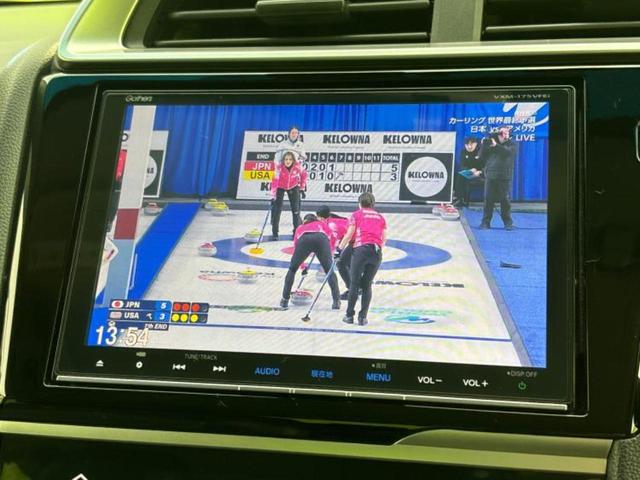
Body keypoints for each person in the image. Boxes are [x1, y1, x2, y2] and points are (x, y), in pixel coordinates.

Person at [337, 192, 387, 326]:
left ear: (359, 204)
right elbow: (384, 239)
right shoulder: (380, 217)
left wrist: (339, 249)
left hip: (361, 250)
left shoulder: (356, 215)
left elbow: (349, 235)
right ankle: (363, 317)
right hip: (376, 252)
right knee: (367, 285)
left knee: (354, 284)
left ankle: (349, 315)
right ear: (373, 204)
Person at [280, 213, 341, 310]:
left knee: (292, 269)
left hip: (305, 240)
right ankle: (336, 301)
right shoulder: (322, 224)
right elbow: (332, 237)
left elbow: (296, 247)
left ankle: (285, 300)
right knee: (329, 271)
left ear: (305, 221)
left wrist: (303, 267)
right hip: (321, 239)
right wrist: (331, 251)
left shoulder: (300, 228)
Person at [479, 126, 517, 230]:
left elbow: (506, 153)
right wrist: (483, 145)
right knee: (488, 200)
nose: (504, 134)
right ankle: (485, 222)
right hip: (491, 175)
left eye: (506, 132)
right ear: (498, 134)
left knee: (505, 200)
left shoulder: (512, 144)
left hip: (504, 176)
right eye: (502, 133)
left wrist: (496, 146)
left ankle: (508, 223)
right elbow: (481, 156)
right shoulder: (491, 143)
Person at [316, 205, 352, 300]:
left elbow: (334, 244)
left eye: (318, 217)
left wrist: (329, 258)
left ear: (322, 217)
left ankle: (352, 290)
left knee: (341, 263)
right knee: (348, 263)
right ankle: (356, 287)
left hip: (356, 240)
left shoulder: (332, 225)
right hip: (355, 239)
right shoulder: (330, 219)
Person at [271, 151, 307, 240]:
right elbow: (274, 180)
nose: (288, 161)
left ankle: (296, 232)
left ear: (293, 160)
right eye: (286, 159)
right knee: (277, 210)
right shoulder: (279, 168)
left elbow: (304, 174)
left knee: (296, 210)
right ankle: (275, 233)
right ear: (283, 160)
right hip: (280, 186)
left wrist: (302, 187)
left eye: (290, 159)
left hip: (293, 186)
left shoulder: (298, 166)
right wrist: (273, 194)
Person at [453, 136, 485, 208]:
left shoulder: (481, 152)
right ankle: (460, 199)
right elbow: (462, 165)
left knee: (462, 176)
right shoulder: (463, 152)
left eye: (471, 144)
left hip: (480, 173)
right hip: (469, 172)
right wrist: (469, 170)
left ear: (476, 144)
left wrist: (480, 172)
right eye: (467, 145)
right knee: (460, 175)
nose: (469, 147)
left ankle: (460, 199)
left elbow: (487, 165)